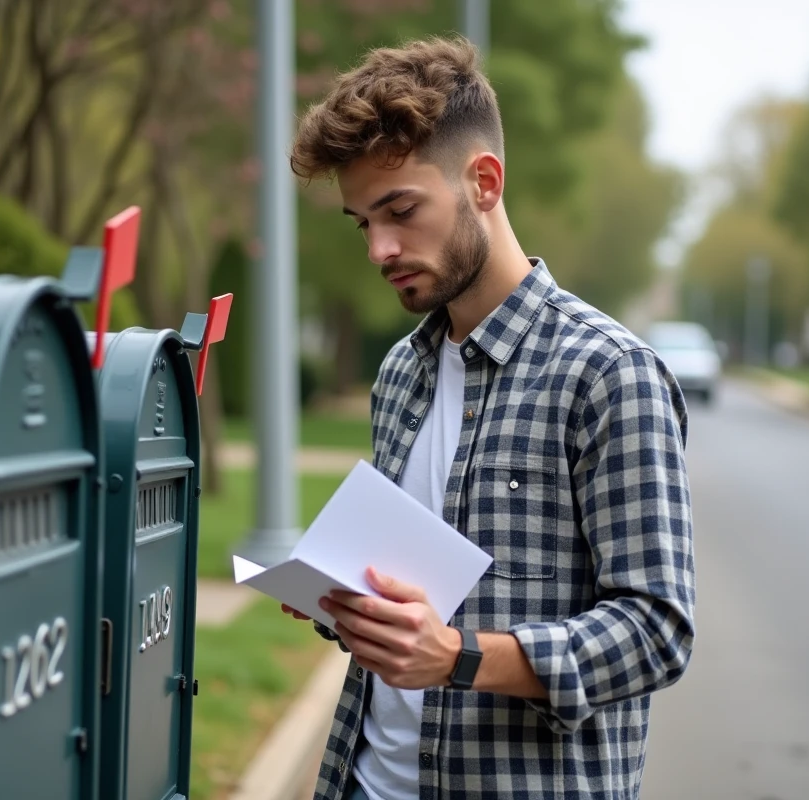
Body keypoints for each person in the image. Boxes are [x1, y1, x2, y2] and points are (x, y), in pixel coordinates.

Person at [282, 34, 696, 800]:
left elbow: (657, 633)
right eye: (361, 221)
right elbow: (411, 599)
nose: (380, 247)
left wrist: (458, 657)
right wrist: (340, 599)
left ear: (484, 181)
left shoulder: (610, 373)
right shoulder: (400, 372)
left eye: (400, 210)